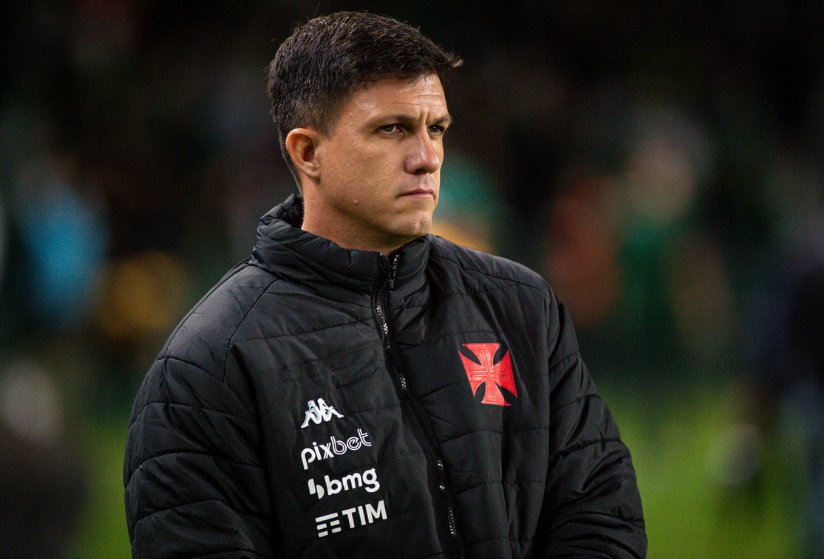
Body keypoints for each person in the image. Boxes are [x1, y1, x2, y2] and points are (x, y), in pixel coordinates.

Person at [123, 11, 646, 559]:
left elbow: (601, 511)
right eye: (392, 129)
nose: (427, 158)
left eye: (436, 128)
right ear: (307, 152)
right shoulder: (212, 364)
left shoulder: (521, 306)